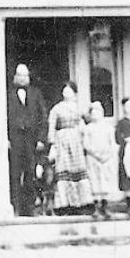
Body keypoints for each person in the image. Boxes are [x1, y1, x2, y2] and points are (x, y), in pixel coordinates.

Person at [6, 64, 49, 217]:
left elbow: (43, 117)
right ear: (15, 77)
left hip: (31, 139)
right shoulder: (9, 95)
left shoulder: (36, 94)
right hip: (15, 139)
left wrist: (41, 139)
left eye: (25, 75)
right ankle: (16, 207)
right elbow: (2, 118)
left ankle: (30, 207)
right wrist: (6, 139)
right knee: (15, 173)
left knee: (31, 172)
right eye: (20, 75)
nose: (22, 78)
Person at [44, 81, 93, 214]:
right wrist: (52, 143)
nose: (67, 93)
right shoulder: (57, 108)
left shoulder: (79, 107)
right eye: (65, 90)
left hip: (76, 141)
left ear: (75, 93)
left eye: (70, 90)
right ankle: (65, 204)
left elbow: (90, 119)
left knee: (77, 170)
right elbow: (51, 126)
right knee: (64, 171)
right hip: (62, 141)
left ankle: (81, 203)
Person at [82, 101, 117, 219]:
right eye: (93, 112)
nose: (96, 114)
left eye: (98, 111)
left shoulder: (108, 127)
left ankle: (105, 206)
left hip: (106, 158)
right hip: (93, 158)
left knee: (105, 180)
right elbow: (86, 144)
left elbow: (112, 143)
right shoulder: (88, 128)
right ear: (90, 114)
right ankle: (96, 207)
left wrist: (107, 155)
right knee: (95, 180)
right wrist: (96, 154)